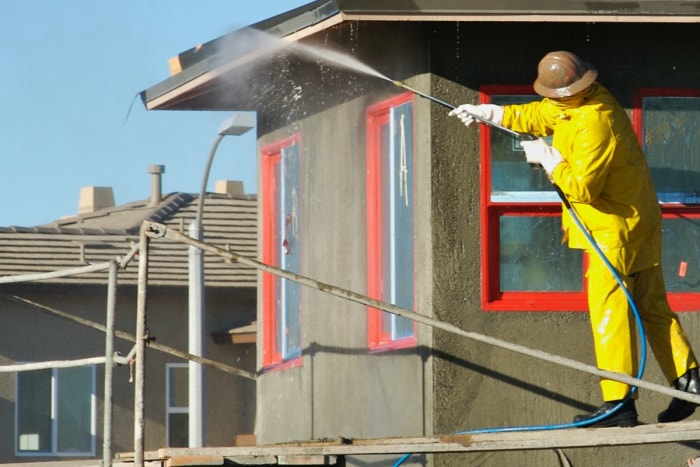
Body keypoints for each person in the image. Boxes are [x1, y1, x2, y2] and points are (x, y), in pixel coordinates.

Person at [449, 50, 700, 427]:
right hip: (635, 222)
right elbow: (539, 114)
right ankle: (689, 381)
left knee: (610, 312)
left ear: (570, 91)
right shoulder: (582, 99)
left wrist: (549, 160)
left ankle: (619, 404)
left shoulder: (596, 121)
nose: (551, 100)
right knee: (650, 304)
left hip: (614, 229)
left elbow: (583, 187)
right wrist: (492, 114)